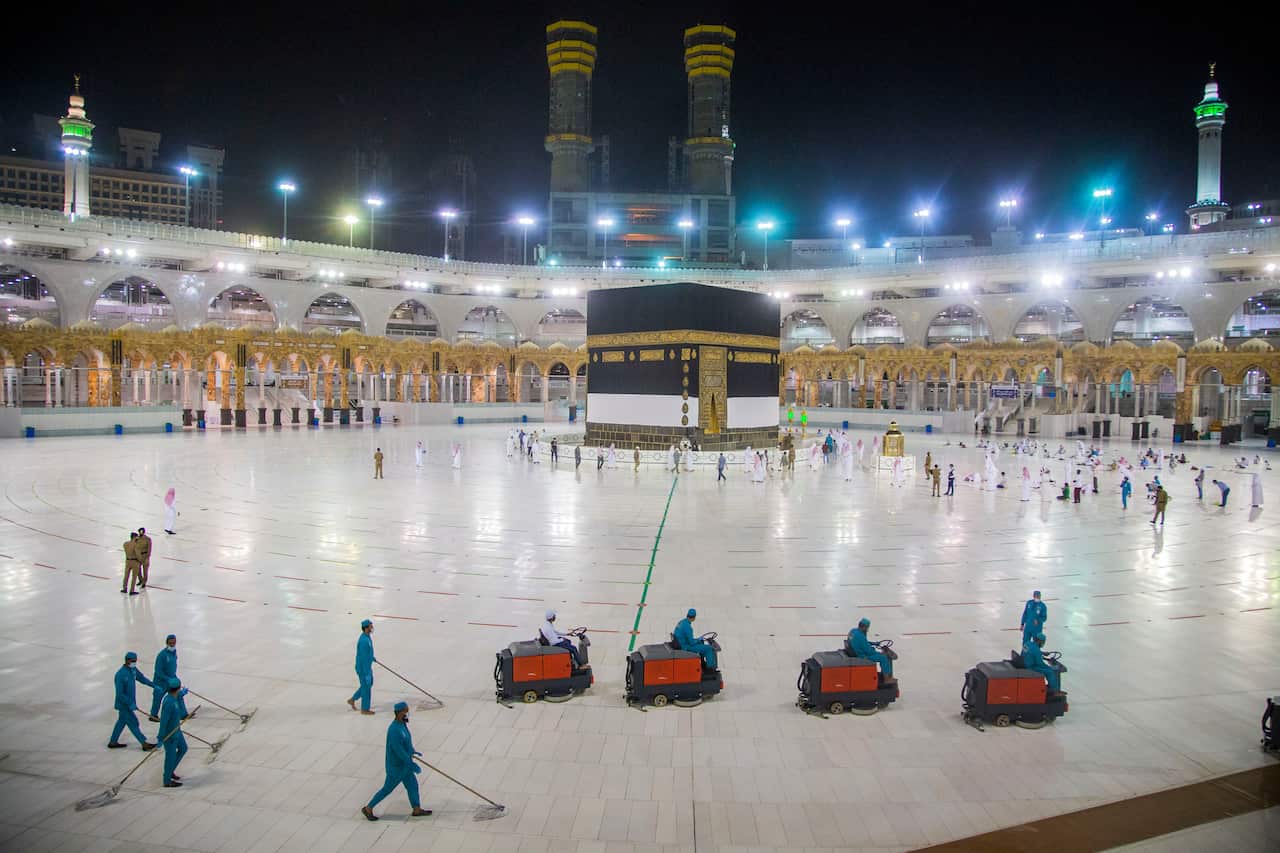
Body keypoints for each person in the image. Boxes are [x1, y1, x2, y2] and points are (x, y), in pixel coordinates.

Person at [361, 701, 430, 820]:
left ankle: (416, 809)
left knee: (413, 785)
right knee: (387, 789)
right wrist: (410, 763)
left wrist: (412, 751)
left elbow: (406, 742)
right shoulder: (394, 730)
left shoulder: (403, 725)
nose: (408, 713)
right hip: (396, 767)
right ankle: (368, 808)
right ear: (400, 713)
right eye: (406, 711)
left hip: (405, 765)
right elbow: (398, 750)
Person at [108, 651, 156, 751]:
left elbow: (141, 678)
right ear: (127, 660)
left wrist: (153, 685)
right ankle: (144, 743)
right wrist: (130, 703)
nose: (134, 662)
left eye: (135, 661)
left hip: (129, 703)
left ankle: (113, 741)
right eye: (133, 661)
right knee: (133, 722)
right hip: (124, 705)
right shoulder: (120, 675)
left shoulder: (133, 670)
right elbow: (120, 694)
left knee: (121, 722)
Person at [159, 677, 189, 787]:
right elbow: (163, 721)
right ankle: (167, 780)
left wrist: (183, 693)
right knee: (170, 756)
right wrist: (161, 736)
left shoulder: (173, 696)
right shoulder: (169, 703)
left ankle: (170, 770)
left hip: (177, 730)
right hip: (170, 734)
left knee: (183, 748)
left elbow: (178, 695)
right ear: (177, 688)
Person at [348, 619, 376, 715]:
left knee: (368, 685)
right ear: (366, 628)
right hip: (363, 668)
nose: (372, 628)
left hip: (367, 665)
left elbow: (367, 652)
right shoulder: (364, 641)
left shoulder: (367, 636)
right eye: (370, 626)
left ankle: (353, 699)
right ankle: (365, 709)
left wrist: (371, 657)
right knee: (366, 687)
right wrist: (367, 673)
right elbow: (363, 658)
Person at [148, 634, 178, 722]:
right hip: (160, 682)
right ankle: (153, 715)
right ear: (167, 643)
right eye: (170, 643)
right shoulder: (162, 655)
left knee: (178, 695)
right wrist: (167, 678)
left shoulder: (174, 653)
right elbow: (158, 671)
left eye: (174, 643)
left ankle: (182, 714)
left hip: (171, 681)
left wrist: (174, 678)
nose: (172, 645)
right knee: (157, 699)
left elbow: (173, 668)